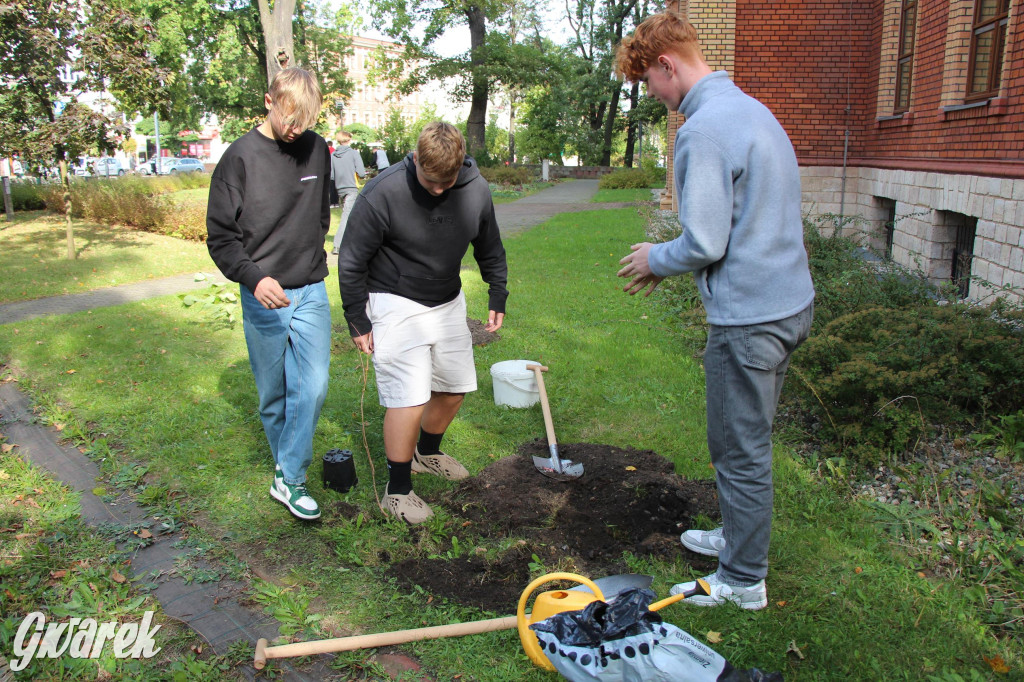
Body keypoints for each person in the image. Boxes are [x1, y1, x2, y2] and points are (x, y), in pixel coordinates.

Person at [615, 13, 815, 610]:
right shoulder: (752, 110)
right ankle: (737, 534)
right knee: (746, 438)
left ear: (667, 65)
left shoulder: (703, 131)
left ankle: (742, 578)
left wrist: (656, 257)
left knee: (738, 447)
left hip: (749, 320)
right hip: (790, 302)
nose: (654, 96)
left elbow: (704, 242)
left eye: (649, 81)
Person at [338, 121, 508, 524]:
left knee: (455, 387)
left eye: (446, 182)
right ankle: (396, 491)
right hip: (393, 297)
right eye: (430, 180)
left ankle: (426, 453)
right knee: (409, 397)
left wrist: (497, 291)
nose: (438, 190)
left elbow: (490, 245)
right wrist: (356, 319)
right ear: (415, 158)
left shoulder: (475, 188)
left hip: (447, 298)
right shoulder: (384, 191)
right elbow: (351, 258)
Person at [206, 67, 333, 522]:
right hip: (263, 294)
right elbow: (221, 238)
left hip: (311, 290)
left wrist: (308, 260)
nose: (297, 129)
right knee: (274, 394)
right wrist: (255, 278)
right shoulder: (238, 159)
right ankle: (286, 469)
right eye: (290, 117)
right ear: (268, 101)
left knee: (314, 387)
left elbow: (321, 215)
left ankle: (291, 478)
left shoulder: (317, 149)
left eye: (306, 119)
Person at [329, 130, 366, 255]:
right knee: (347, 216)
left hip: (340, 188)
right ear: (349, 140)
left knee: (349, 215)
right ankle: (337, 245)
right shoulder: (353, 153)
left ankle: (353, 242)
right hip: (351, 187)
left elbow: (332, 175)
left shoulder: (333, 155)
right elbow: (361, 172)